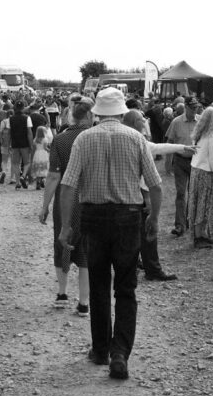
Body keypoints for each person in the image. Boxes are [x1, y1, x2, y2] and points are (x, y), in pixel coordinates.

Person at [58, 87, 162, 380]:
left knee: (99, 284)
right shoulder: (136, 138)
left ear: (96, 114)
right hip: (128, 217)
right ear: (120, 112)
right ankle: (120, 353)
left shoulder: (83, 138)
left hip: (93, 216)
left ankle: (101, 349)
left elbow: (68, 185)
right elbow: (155, 185)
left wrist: (66, 226)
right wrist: (153, 217)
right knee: (126, 288)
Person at [39, 97, 94, 314]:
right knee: (86, 252)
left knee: (62, 245)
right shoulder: (94, 138)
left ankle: (62, 293)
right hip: (90, 199)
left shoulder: (60, 140)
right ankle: (84, 302)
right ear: (89, 116)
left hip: (66, 200)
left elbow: (53, 176)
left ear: (72, 115)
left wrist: (44, 206)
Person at [123, 109, 190, 281]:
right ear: (134, 123)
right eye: (141, 120)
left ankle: (140, 267)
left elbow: (159, 147)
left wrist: (182, 147)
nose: (144, 122)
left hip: (131, 193)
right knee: (146, 230)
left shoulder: (134, 139)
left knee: (135, 232)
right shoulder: (135, 140)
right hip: (138, 193)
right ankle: (150, 268)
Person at [164, 96, 201, 237]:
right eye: (192, 108)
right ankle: (180, 225)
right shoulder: (176, 122)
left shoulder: (201, 121)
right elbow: (170, 141)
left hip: (196, 161)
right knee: (181, 193)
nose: (194, 110)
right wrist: (168, 163)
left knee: (193, 193)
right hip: (180, 161)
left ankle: (190, 221)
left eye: (196, 108)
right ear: (186, 107)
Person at [188, 106, 213, 249]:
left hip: (195, 170)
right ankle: (199, 237)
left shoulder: (199, 134)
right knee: (204, 204)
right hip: (206, 172)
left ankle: (200, 235)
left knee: (196, 203)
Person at [8, 101, 34, 189]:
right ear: (23, 108)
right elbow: (29, 133)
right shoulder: (27, 118)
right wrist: (31, 145)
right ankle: (23, 176)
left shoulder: (10, 118)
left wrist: (8, 144)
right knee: (27, 162)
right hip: (25, 143)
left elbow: (8, 133)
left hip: (15, 143)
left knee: (15, 163)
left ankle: (17, 182)